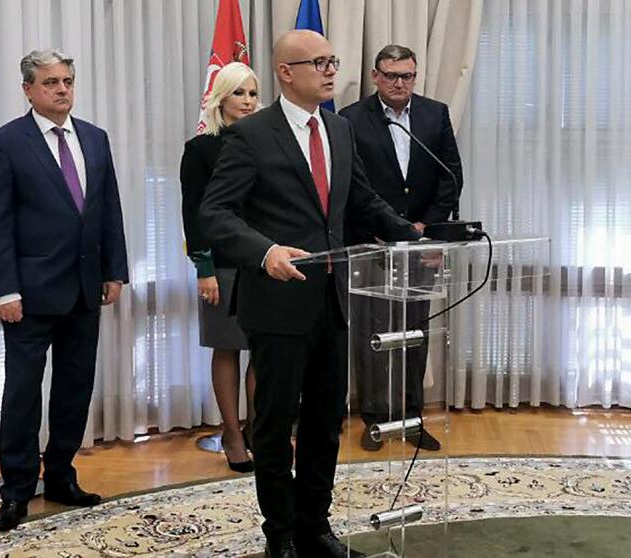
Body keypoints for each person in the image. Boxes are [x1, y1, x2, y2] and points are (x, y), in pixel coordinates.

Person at [200, 30, 420, 558]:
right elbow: (215, 214)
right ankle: (280, 534)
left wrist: (419, 237)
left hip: (333, 301)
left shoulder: (339, 129)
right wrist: (265, 251)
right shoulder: (250, 135)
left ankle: (315, 527)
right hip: (276, 304)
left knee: (325, 422)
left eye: (332, 61)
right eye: (319, 63)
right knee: (275, 425)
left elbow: (363, 201)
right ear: (285, 72)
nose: (330, 71)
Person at [0, 49, 128, 532]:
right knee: (23, 395)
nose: (62, 89)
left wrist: (115, 271)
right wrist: (5, 291)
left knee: (74, 389)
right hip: (29, 295)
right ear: (28, 90)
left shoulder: (95, 138)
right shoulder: (5, 143)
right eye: (50, 83)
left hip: (85, 290)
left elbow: (108, 210)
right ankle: (17, 491)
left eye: (67, 81)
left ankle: (61, 476)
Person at [339, 44, 463, 452]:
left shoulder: (434, 114)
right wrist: (385, 229)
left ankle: (411, 417)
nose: (398, 83)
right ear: (375, 76)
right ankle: (375, 419)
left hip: (422, 247)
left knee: (415, 333)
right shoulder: (350, 119)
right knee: (373, 336)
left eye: (406, 76)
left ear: (415, 76)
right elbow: (351, 186)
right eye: (390, 75)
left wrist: (426, 229)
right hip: (372, 246)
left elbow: (450, 177)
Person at [180, 62, 259, 473]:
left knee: (264, 349)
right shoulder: (201, 149)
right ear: (220, 99)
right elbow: (193, 213)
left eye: (253, 93)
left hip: (264, 261)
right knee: (227, 347)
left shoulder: (266, 143)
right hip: (222, 264)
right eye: (238, 93)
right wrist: (204, 267)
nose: (247, 101)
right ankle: (231, 434)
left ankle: (258, 429)